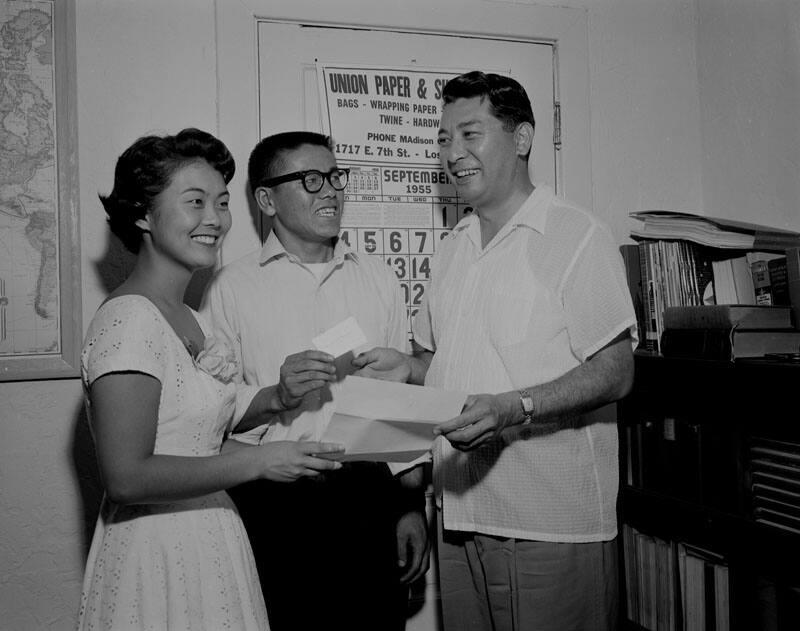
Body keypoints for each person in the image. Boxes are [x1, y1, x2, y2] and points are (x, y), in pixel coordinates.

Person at [354, 71, 637, 631]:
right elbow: (443, 367)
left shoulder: (575, 234)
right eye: (442, 139)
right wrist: (408, 369)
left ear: (523, 138)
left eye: (470, 134)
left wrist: (517, 407)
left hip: (547, 522)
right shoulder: (452, 248)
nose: (451, 154)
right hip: (457, 516)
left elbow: (616, 371)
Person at [78, 128, 345, 631]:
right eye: (194, 202)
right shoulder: (129, 320)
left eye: (221, 203)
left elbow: (197, 427)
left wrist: (279, 399)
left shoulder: (187, 317)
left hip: (211, 538)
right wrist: (261, 462)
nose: (215, 220)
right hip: (157, 551)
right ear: (141, 214)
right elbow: (126, 477)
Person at [200, 131, 429, 631]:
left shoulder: (378, 278)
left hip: (368, 495)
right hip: (274, 501)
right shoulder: (229, 289)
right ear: (266, 199)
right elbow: (210, 413)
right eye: (310, 179)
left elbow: (397, 408)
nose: (330, 190)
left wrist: (409, 507)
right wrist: (276, 395)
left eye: (334, 177)